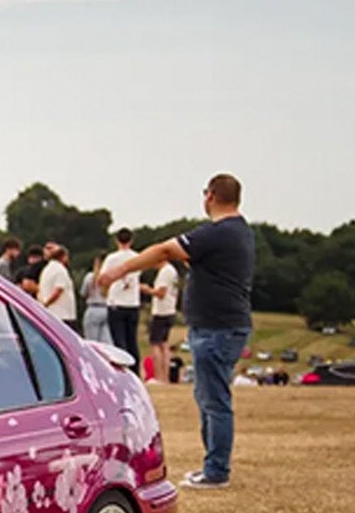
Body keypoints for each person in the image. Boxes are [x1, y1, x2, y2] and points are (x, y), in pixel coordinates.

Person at [98, 173, 255, 490]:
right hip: (222, 326)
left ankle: (216, 470)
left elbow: (166, 250)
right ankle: (212, 465)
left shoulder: (219, 233)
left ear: (209, 196)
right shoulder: (240, 232)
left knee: (214, 400)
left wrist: (119, 270)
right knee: (209, 396)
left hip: (216, 328)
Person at [103, 228, 143, 365]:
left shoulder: (112, 258)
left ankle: (123, 368)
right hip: (133, 303)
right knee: (132, 341)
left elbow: (103, 278)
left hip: (116, 302)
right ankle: (136, 371)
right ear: (131, 240)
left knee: (119, 341)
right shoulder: (138, 257)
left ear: (116, 240)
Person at [147, 258, 181, 384]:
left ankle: (159, 376)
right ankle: (165, 376)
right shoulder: (172, 271)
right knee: (164, 344)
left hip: (161, 311)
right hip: (170, 310)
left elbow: (161, 292)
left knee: (155, 343)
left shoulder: (165, 272)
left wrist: (147, 290)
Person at [37, 243, 79, 332]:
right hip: (63, 314)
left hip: (50, 313)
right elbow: (58, 290)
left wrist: (42, 304)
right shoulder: (61, 270)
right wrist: (47, 303)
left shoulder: (46, 270)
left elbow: (39, 290)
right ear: (63, 257)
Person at [80, 253, 112, 343]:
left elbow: (83, 293)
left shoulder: (90, 277)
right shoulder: (111, 277)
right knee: (107, 341)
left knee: (92, 342)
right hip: (107, 309)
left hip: (93, 308)